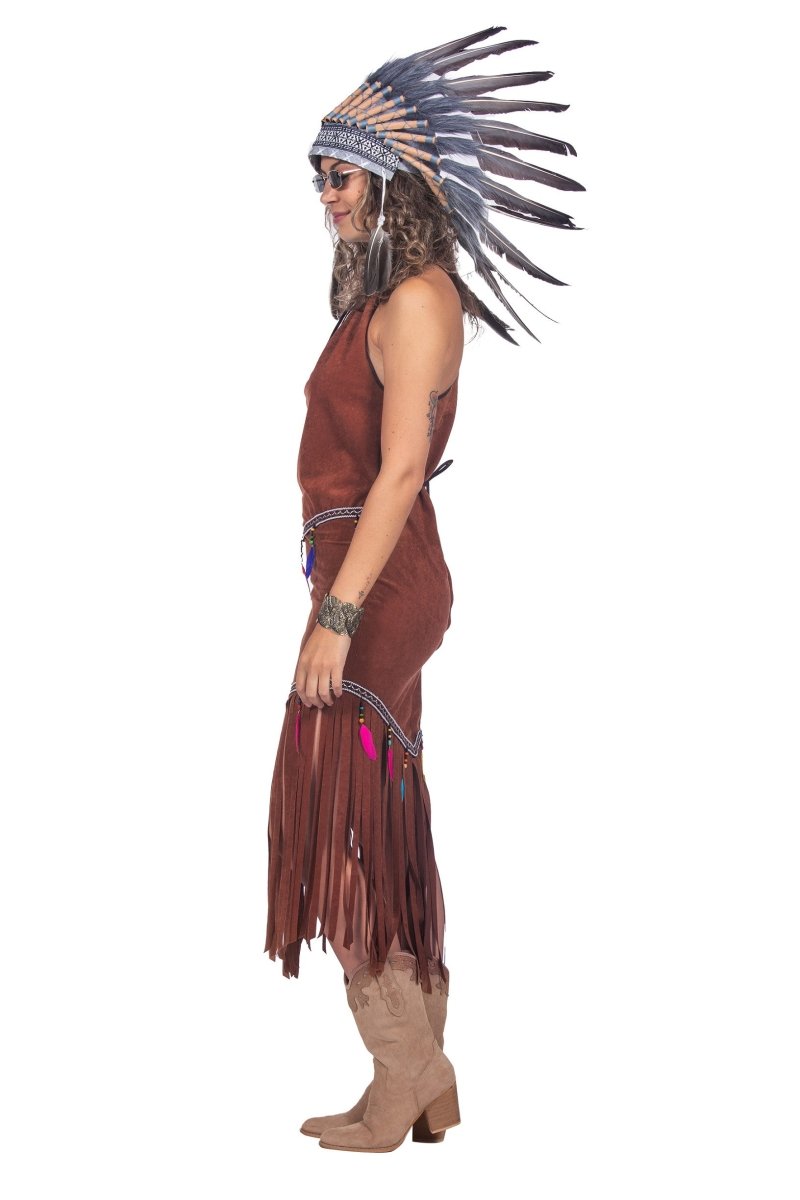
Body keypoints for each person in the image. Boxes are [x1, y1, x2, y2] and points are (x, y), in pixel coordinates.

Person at [263, 24, 583, 1154]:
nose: (325, 197)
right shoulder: (387, 299)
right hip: (373, 570)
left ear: (393, 181)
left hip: (380, 581)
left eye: (340, 177)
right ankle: (411, 1079)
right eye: (317, 177)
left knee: (338, 815)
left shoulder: (417, 302)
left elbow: (400, 470)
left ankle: (411, 1068)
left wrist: (337, 617)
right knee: (378, 818)